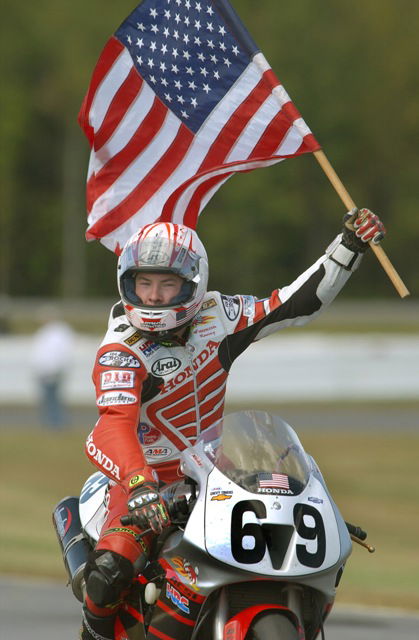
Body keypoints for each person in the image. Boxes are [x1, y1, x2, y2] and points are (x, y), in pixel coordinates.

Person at [80, 208, 385, 640]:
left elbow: (291, 305)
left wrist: (348, 248)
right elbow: (113, 424)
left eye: (166, 283)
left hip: (214, 470)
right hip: (144, 480)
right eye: (143, 283)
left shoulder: (217, 316)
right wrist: (139, 483)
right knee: (112, 566)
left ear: (192, 283)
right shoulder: (120, 352)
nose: (152, 296)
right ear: (127, 283)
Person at [31, 310, 75, 429]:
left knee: (53, 398)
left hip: (53, 370)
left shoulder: (59, 332)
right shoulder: (46, 332)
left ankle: (56, 423)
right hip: (45, 370)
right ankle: (51, 422)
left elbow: (60, 352)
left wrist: (56, 368)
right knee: (48, 398)